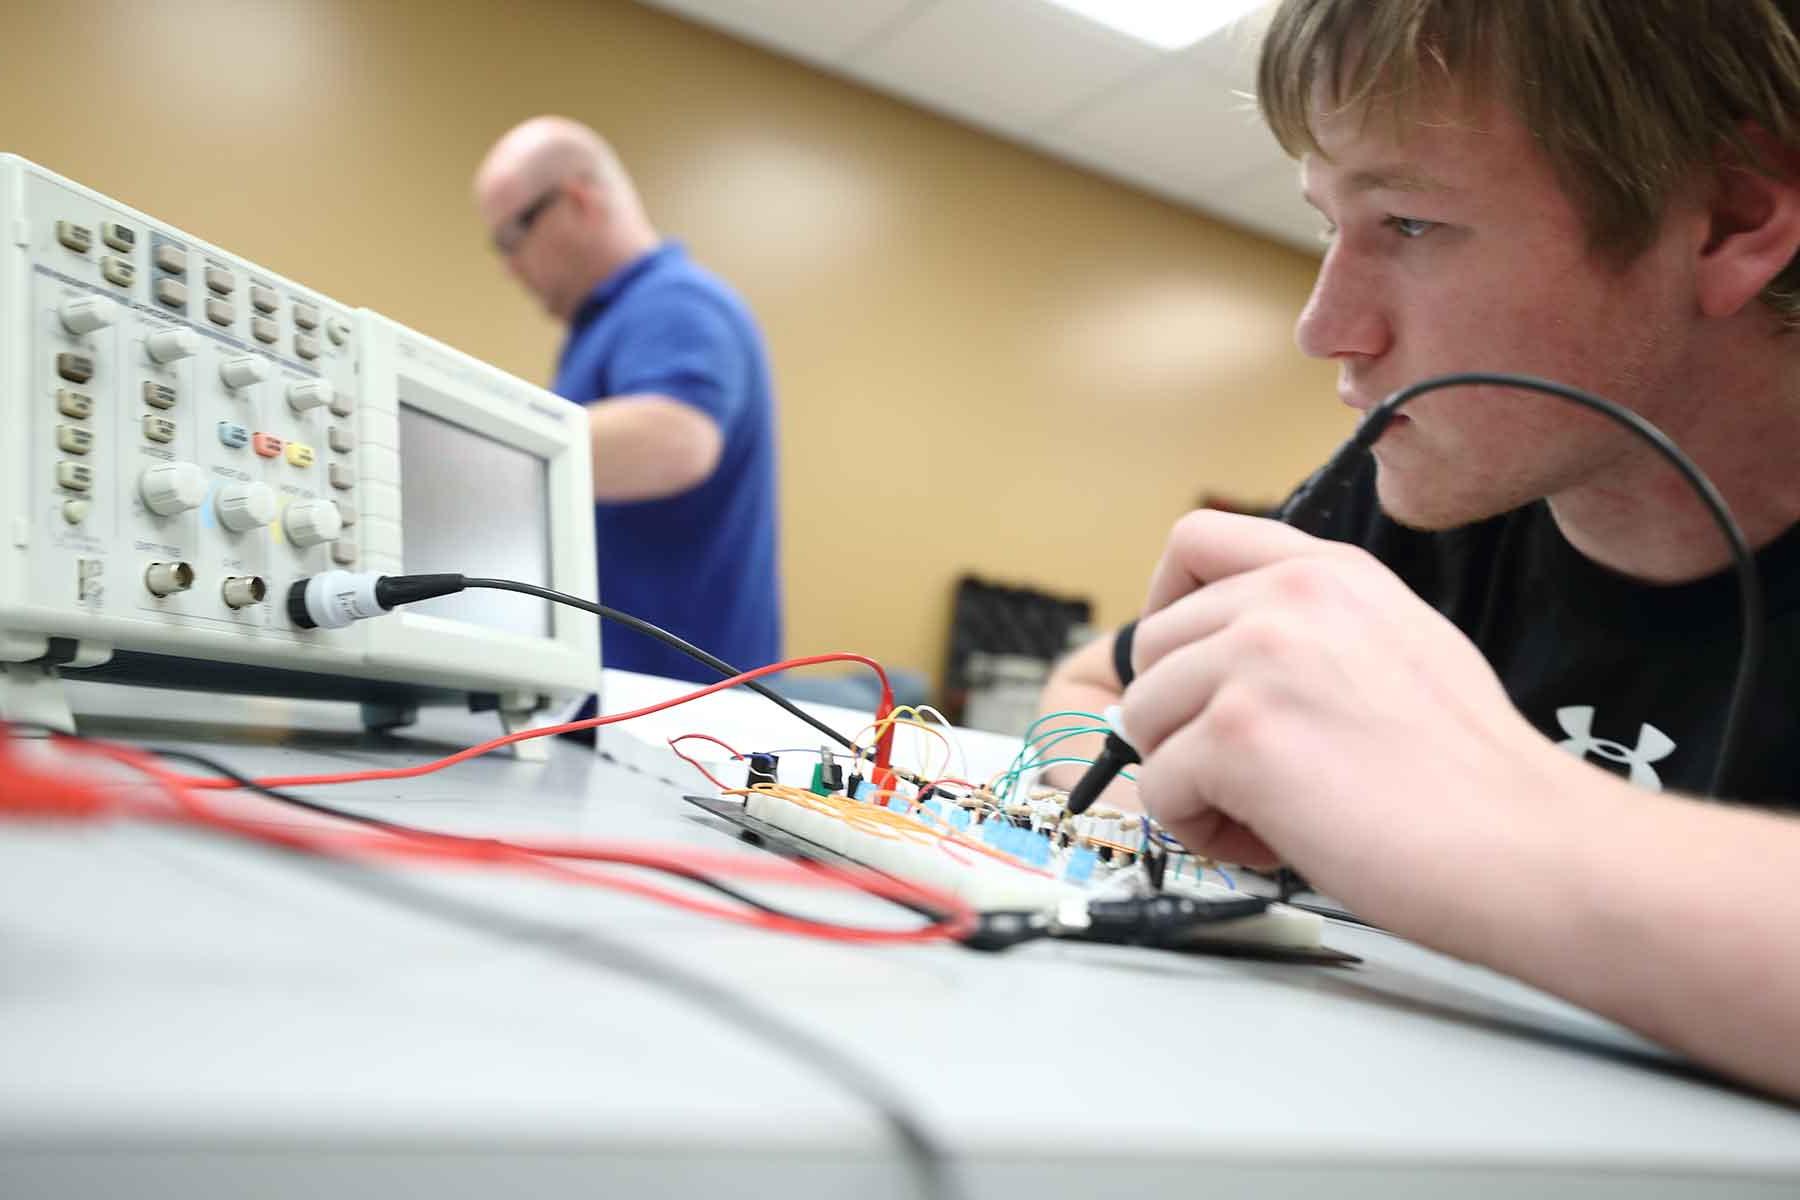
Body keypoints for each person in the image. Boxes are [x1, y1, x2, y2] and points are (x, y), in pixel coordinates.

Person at [1037, 0, 1800, 1099]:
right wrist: (1146, 825)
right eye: (1325, 223)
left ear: (1728, 221)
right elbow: (1084, 686)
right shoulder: (1405, 509)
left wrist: (1466, 822)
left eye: (1408, 224)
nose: (1324, 328)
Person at [473, 116, 781, 683]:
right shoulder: (603, 329)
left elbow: (676, 438)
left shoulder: (676, 301)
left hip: (674, 720)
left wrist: (468, 451)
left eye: (512, 238)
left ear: (578, 201)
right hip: (627, 709)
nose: (509, 266)